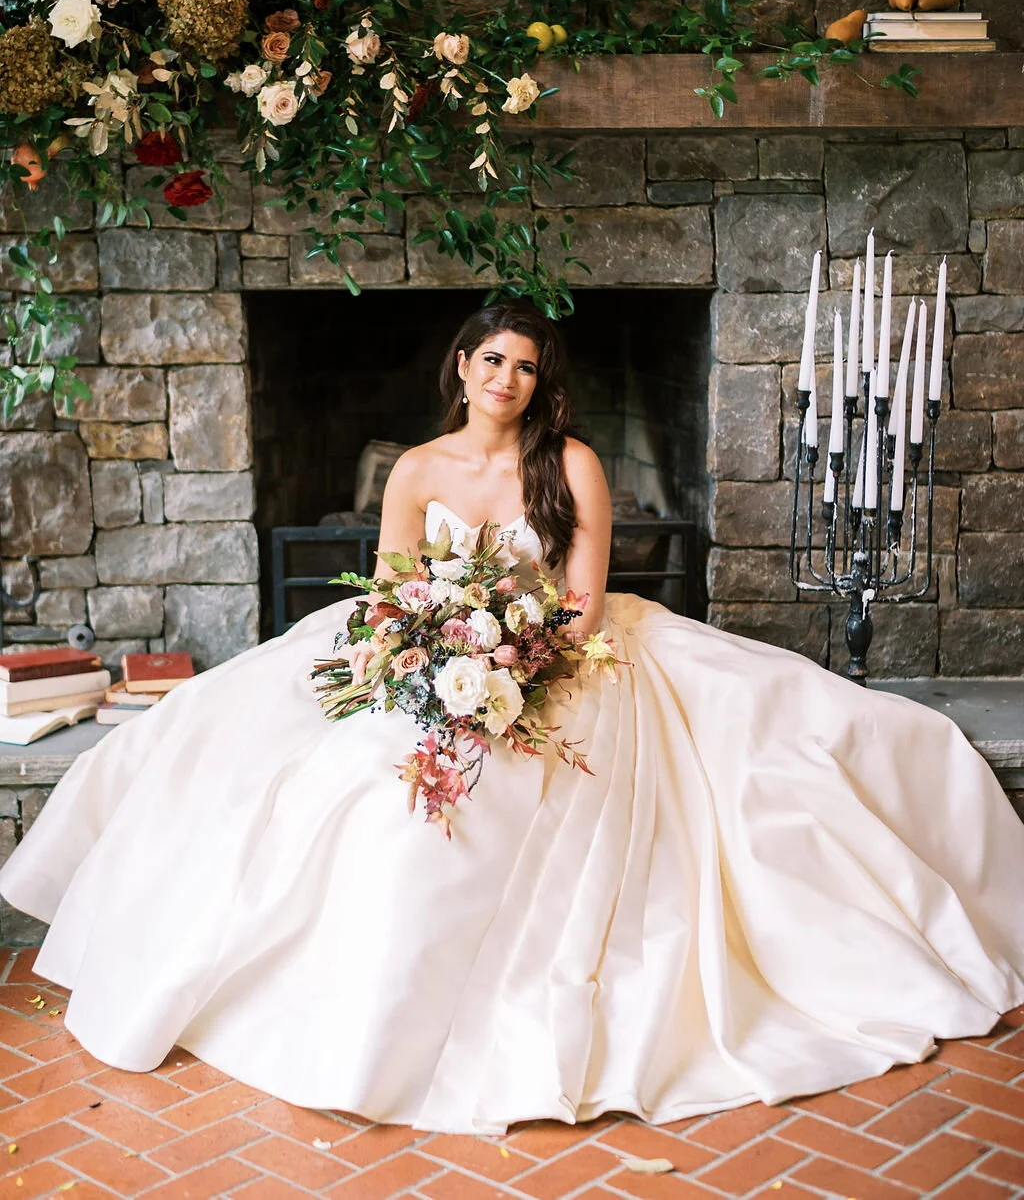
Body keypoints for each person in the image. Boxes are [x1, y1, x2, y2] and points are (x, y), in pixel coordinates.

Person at [1, 301, 1022, 1137]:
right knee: (339, 783)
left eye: (526, 367)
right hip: (433, 657)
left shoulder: (568, 464)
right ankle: (361, 1015)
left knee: (562, 778)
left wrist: (515, 661)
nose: (507, 379)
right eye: (493, 359)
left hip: (562, 657)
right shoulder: (414, 470)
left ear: (540, 382)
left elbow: (581, 601)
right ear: (460, 366)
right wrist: (438, 656)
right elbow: (393, 592)